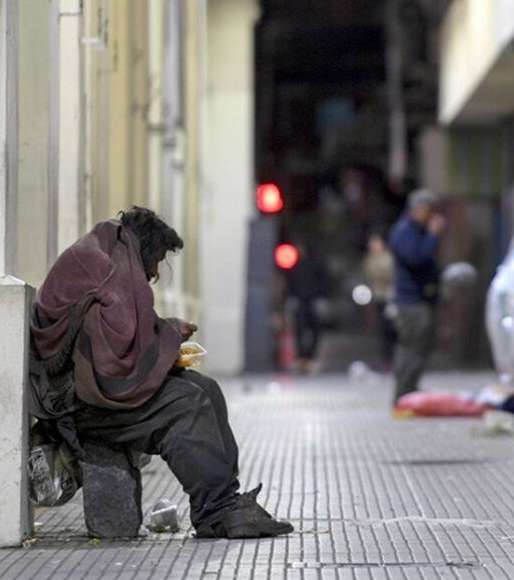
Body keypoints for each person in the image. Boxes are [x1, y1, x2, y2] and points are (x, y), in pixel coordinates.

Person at [28, 207, 294, 539]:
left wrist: (164, 337)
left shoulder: (106, 252)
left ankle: (226, 501)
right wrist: (168, 333)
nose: (153, 273)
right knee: (188, 404)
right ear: (148, 249)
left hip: (84, 388)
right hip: (76, 406)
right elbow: (116, 361)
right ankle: (217, 511)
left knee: (206, 388)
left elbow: (117, 341)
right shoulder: (113, 265)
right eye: (156, 263)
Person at [388, 189, 444, 406]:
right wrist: (433, 235)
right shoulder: (405, 231)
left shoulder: (415, 230)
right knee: (411, 349)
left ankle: (409, 392)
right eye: (427, 211)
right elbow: (416, 257)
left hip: (420, 300)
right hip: (410, 302)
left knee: (419, 349)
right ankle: (403, 394)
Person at [286, 243, 329, 374]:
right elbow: (291, 283)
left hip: (312, 301)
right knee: (299, 330)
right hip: (300, 302)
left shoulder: (315, 265)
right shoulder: (295, 266)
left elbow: (324, 282)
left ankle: (311, 358)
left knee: (315, 330)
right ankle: (302, 358)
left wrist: (320, 296)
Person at [363, 232, 397, 369]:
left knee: (391, 328)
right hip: (378, 297)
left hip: (389, 296)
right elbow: (369, 276)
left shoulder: (388, 258)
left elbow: (391, 276)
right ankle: (386, 358)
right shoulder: (369, 259)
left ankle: (393, 358)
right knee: (382, 329)